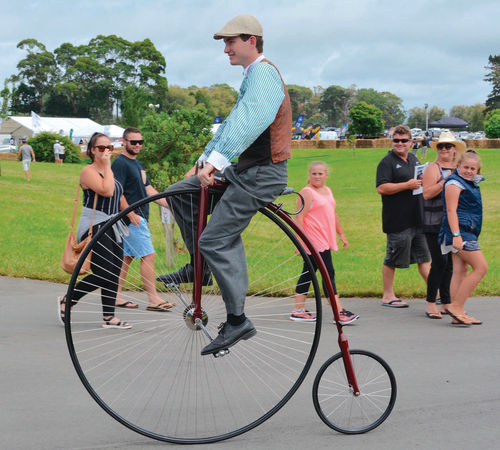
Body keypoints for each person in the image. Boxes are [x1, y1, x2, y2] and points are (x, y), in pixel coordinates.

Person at [157, 14, 291, 355]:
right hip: (243, 172)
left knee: (216, 238)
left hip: (262, 175)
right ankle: (198, 268)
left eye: (230, 42)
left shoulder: (264, 73)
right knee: (180, 194)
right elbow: (232, 125)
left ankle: (237, 321)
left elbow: (251, 120)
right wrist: (204, 162)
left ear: (251, 40)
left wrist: (216, 162)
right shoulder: (252, 76)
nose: (226, 49)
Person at [58, 132, 131, 329]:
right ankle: (69, 299)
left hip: (113, 224)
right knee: (103, 272)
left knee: (114, 271)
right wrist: (107, 166)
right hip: (96, 224)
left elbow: (117, 193)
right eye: (101, 148)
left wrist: (130, 214)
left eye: (109, 147)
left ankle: (109, 317)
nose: (106, 151)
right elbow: (106, 190)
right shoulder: (88, 171)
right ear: (92, 150)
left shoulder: (109, 171)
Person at [111, 127, 174, 311]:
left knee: (127, 257)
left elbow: (149, 190)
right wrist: (130, 214)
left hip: (138, 216)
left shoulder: (137, 165)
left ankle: (114, 295)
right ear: (124, 142)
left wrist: (171, 205)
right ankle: (153, 299)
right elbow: (117, 191)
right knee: (149, 255)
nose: (138, 145)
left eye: (140, 142)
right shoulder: (121, 164)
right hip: (132, 218)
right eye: (133, 142)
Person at [291, 161, 359, 325]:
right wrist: (299, 242)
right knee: (328, 274)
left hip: (325, 238)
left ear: (326, 175)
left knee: (308, 273)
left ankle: (298, 310)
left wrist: (341, 233)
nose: (317, 176)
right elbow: (299, 218)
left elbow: (332, 213)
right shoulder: (306, 192)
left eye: (320, 173)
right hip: (313, 240)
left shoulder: (327, 191)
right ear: (309, 175)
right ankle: (339, 311)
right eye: (314, 173)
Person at [376, 125, 431, 307]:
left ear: (411, 142)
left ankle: (436, 292)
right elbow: (381, 188)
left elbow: (418, 184)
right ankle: (388, 295)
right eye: (396, 140)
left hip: (417, 218)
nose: (399, 144)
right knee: (392, 259)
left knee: (424, 258)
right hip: (398, 220)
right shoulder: (387, 162)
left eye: (403, 140)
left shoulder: (414, 160)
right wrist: (406, 185)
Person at [439, 150, 488, 325]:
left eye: (473, 168)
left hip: (467, 231)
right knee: (481, 267)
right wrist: (456, 235)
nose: (469, 170)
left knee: (460, 271)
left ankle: (457, 315)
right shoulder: (454, 182)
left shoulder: (470, 184)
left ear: (478, 170)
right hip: (459, 232)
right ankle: (457, 307)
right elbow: (451, 210)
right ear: (458, 166)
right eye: (465, 167)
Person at [422, 132, 463, 318]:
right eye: (441, 146)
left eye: (448, 146)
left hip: (452, 223)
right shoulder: (433, 168)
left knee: (449, 265)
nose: (444, 149)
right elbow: (427, 194)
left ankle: (446, 302)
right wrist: (446, 181)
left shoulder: (460, 169)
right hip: (434, 221)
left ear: (454, 149)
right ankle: (431, 302)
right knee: (439, 262)